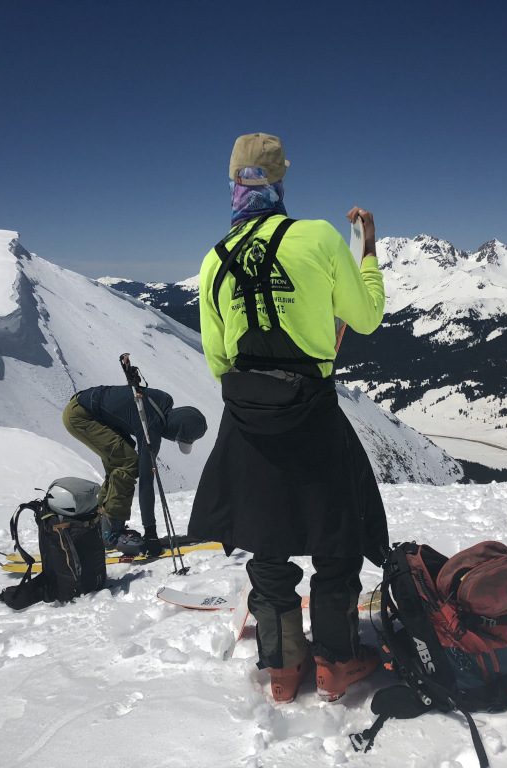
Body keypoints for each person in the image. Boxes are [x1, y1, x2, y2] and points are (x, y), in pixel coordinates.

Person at [189, 132, 388, 703]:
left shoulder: (214, 259)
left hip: (246, 417)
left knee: (266, 539)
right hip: (312, 408)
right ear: (280, 180)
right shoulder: (320, 237)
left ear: (232, 183)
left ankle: (282, 667)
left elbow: (217, 358)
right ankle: (337, 661)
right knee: (336, 534)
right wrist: (367, 252)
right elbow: (368, 317)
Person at [62, 385, 207, 557]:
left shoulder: (162, 402)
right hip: (82, 415)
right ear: (176, 430)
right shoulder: (151, 424)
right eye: (178, 439)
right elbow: (146, 482)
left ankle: (100, 525)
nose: (174, 441)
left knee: (121, 460)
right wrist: (150, 532)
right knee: (128, 462)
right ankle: (111, 532)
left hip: (87, 407)